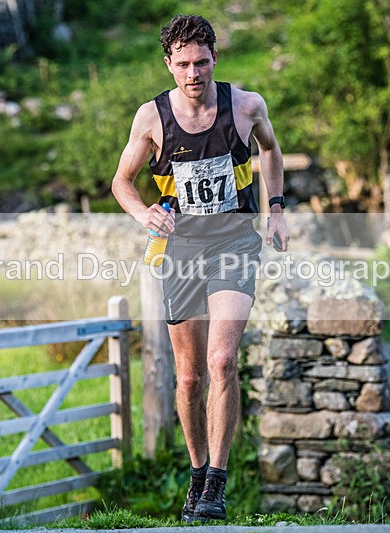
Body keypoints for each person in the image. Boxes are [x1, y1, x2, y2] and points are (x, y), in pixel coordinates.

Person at [111, 14, 289, 522]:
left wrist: (275, 209)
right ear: (169, 65)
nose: (194, 73)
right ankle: (196, 472)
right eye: (184, 64)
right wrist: (143, 211)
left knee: (221, 362)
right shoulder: (150, 118)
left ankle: (216, 483)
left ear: (215, 59)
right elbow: (123, 181)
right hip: (181, 251)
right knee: (188, 378)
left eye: (202, 62)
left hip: (234, 244)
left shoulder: (247, 106)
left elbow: (271, 153)